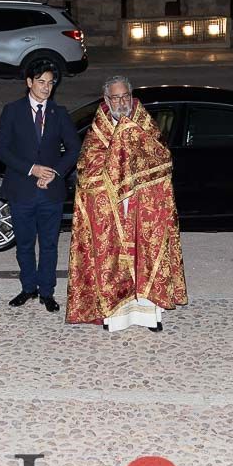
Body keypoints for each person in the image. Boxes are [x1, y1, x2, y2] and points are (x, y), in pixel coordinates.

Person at [65, 75, 187, 331]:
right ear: (107, 100)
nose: (121, 102)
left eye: (125, 97)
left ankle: (148, 315)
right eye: (116, 97)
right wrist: (116, 163)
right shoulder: (97, 132)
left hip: (141, 208)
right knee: (113, 263)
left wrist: (131, 156)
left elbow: (161, 159)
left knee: (144, 258)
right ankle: (115, 315)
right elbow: (88, 170)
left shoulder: (145, 126)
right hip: (111, 211)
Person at [0, 61, 82, 312]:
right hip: (21, 189)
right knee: (24, 243)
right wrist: (32, 169)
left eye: (50, 83)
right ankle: (28, 288)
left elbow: (74, 149)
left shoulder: (59, 113)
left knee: (49, 245)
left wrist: (55, 172)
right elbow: (2, 149)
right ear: (29, 83)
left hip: (50, 192)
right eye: (41, 82)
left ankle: (47, 291)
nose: (46, 88)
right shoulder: (12, 111)